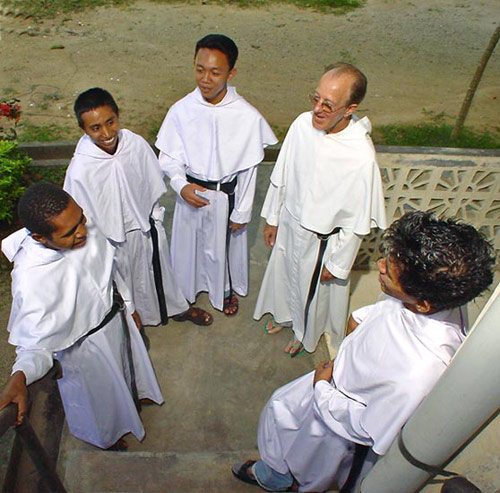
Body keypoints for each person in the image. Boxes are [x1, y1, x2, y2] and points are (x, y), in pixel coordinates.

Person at [232, 211, 496, 492]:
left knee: (305, 457)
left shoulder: (417, 374)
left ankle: (281, 479)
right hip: (333, 380)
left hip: (337, 417)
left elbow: (367, 427)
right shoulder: (430, 294)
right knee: (280, 409)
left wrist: (322, 388)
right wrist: (359, 322)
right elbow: (389, 312)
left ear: (424, 305)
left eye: (388, 272)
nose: (379, 265)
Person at [0, 184, 163, 449]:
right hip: (84, 347)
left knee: (124, 370)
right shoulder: (31, 279)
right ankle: (107, 437)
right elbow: (35, 343)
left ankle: (132, 400)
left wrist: (129, 306)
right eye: (70, 233)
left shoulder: (79, 226)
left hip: (113, 320)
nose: (83, 232)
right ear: (40, 238)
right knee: (97, 400)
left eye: (81, 220)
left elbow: (110, 269)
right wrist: (20, 375)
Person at [254, 62, 387, 356]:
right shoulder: (302, 125)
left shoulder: (360, 156)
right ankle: (283, 315)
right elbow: (283, 176)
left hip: (321, 243)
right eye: (315, 99)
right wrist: (273, 218)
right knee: (283, 275)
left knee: (311, 292)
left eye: (329, 104)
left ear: (350, 108)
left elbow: (356, 221)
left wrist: (337, 264)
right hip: (290, 223)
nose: (318, 109)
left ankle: (303, 333)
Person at [64, 87, 212, 328]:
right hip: (113, 240)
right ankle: (133, 326)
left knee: (159, 271)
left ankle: (177, 307)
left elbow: (150, 180)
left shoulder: (134, 144)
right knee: (127, 285)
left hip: (145, 227)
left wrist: (153, 217)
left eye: (110, 122)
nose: (106, 133)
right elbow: (79, 213)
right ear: (83, 129)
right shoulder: (81, 169)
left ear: (118, 115)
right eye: (95, 128)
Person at [155, 34, 278, 316]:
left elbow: (249, 169)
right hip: (192, 193)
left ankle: (223, 290)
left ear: (231, 73)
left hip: (226, 197)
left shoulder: (246, 116)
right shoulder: (182, 110)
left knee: (222, 248)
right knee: (190, 247)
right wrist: (180, 185)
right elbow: (169, 157)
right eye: (199, 69)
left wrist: (242, 212)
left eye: (215, 72)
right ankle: (187, 289)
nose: (205, 79)